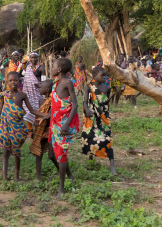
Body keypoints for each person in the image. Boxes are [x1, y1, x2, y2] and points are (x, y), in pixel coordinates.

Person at [0, 72, 48, 182]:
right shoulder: (4, 95)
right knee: (5, 152)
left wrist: (46, 115)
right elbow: (1, 112)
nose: (13, 82)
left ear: (19, 81)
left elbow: (32, 110)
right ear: (7, 82)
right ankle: (4, 178)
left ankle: (16, 176)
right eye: (10, 80)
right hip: (5, 127)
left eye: (15, 80)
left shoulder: (22, 95)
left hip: (18, 128)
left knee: (16, 152)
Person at [49, 58, 79, 199]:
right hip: (54, 123)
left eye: (53, 66)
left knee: (61, 155)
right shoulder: (57, 82)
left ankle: (61, 188)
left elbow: (75, 104)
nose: (51, 68)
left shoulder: (67, 83)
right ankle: (69, 174)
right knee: (51, 154)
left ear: (59, 69)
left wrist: (66, 123)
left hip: (63, 125)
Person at [81, 67, 117, 175]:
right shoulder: (88, 87)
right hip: (92, 117)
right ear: (94, 76)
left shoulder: (107, 88)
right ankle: (91, 157)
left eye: (106, 75)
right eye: (102, 76)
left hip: (103, 117)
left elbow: (106, 101)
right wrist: (87, 111)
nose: (105, 77)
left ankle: (112, 165)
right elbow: (85, 102)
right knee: (91, 136)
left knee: (107, 139)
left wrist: (112, 97)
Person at [30, 80, 60, 182]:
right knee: (39, 153)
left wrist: (43, 118)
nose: (39, 89)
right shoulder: (41, 101)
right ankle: (38, 178)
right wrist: (36, 122)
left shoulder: (53, 101)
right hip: (41, 129)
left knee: (51, 155)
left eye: (41, 87)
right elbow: (39, 115)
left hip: (51, 129)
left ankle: (61, 170)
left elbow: (53, 115)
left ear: (47, 90)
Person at [19, 52, 45, 133]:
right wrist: (22, 65)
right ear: (29, 58)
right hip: (27, 92)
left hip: (37, 93)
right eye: (31, 58)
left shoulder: (41, 68)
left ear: (38, 58)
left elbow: (44, 82)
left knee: (37, 109)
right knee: (27, 109)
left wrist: (39, 85)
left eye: (35, 57)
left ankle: (37, 127)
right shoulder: (27, 66)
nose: (33, 59)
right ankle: (30, 129)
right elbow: (21, 75)